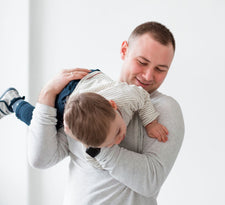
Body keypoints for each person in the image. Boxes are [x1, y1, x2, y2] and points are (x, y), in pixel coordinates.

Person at [25, 21, 184, 205]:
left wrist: (97, 147)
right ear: (124, 50)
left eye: (160, 69)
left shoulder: (164, 108)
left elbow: (150, 181)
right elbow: (41, 159)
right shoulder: (91, 101)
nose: (148, 76)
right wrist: (48, 93)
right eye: (142, 62)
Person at [0, 70, 169, 150]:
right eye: (108, 143)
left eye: (117, 131)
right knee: (47, 126)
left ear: (113, 105)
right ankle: (13, 102)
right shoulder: (83, 134)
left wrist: (151, 123)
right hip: (74, 97)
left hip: (83, 82)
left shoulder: (129, 96)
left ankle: (12, 100)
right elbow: (90, 153)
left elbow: (143, 96)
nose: (118, 140)